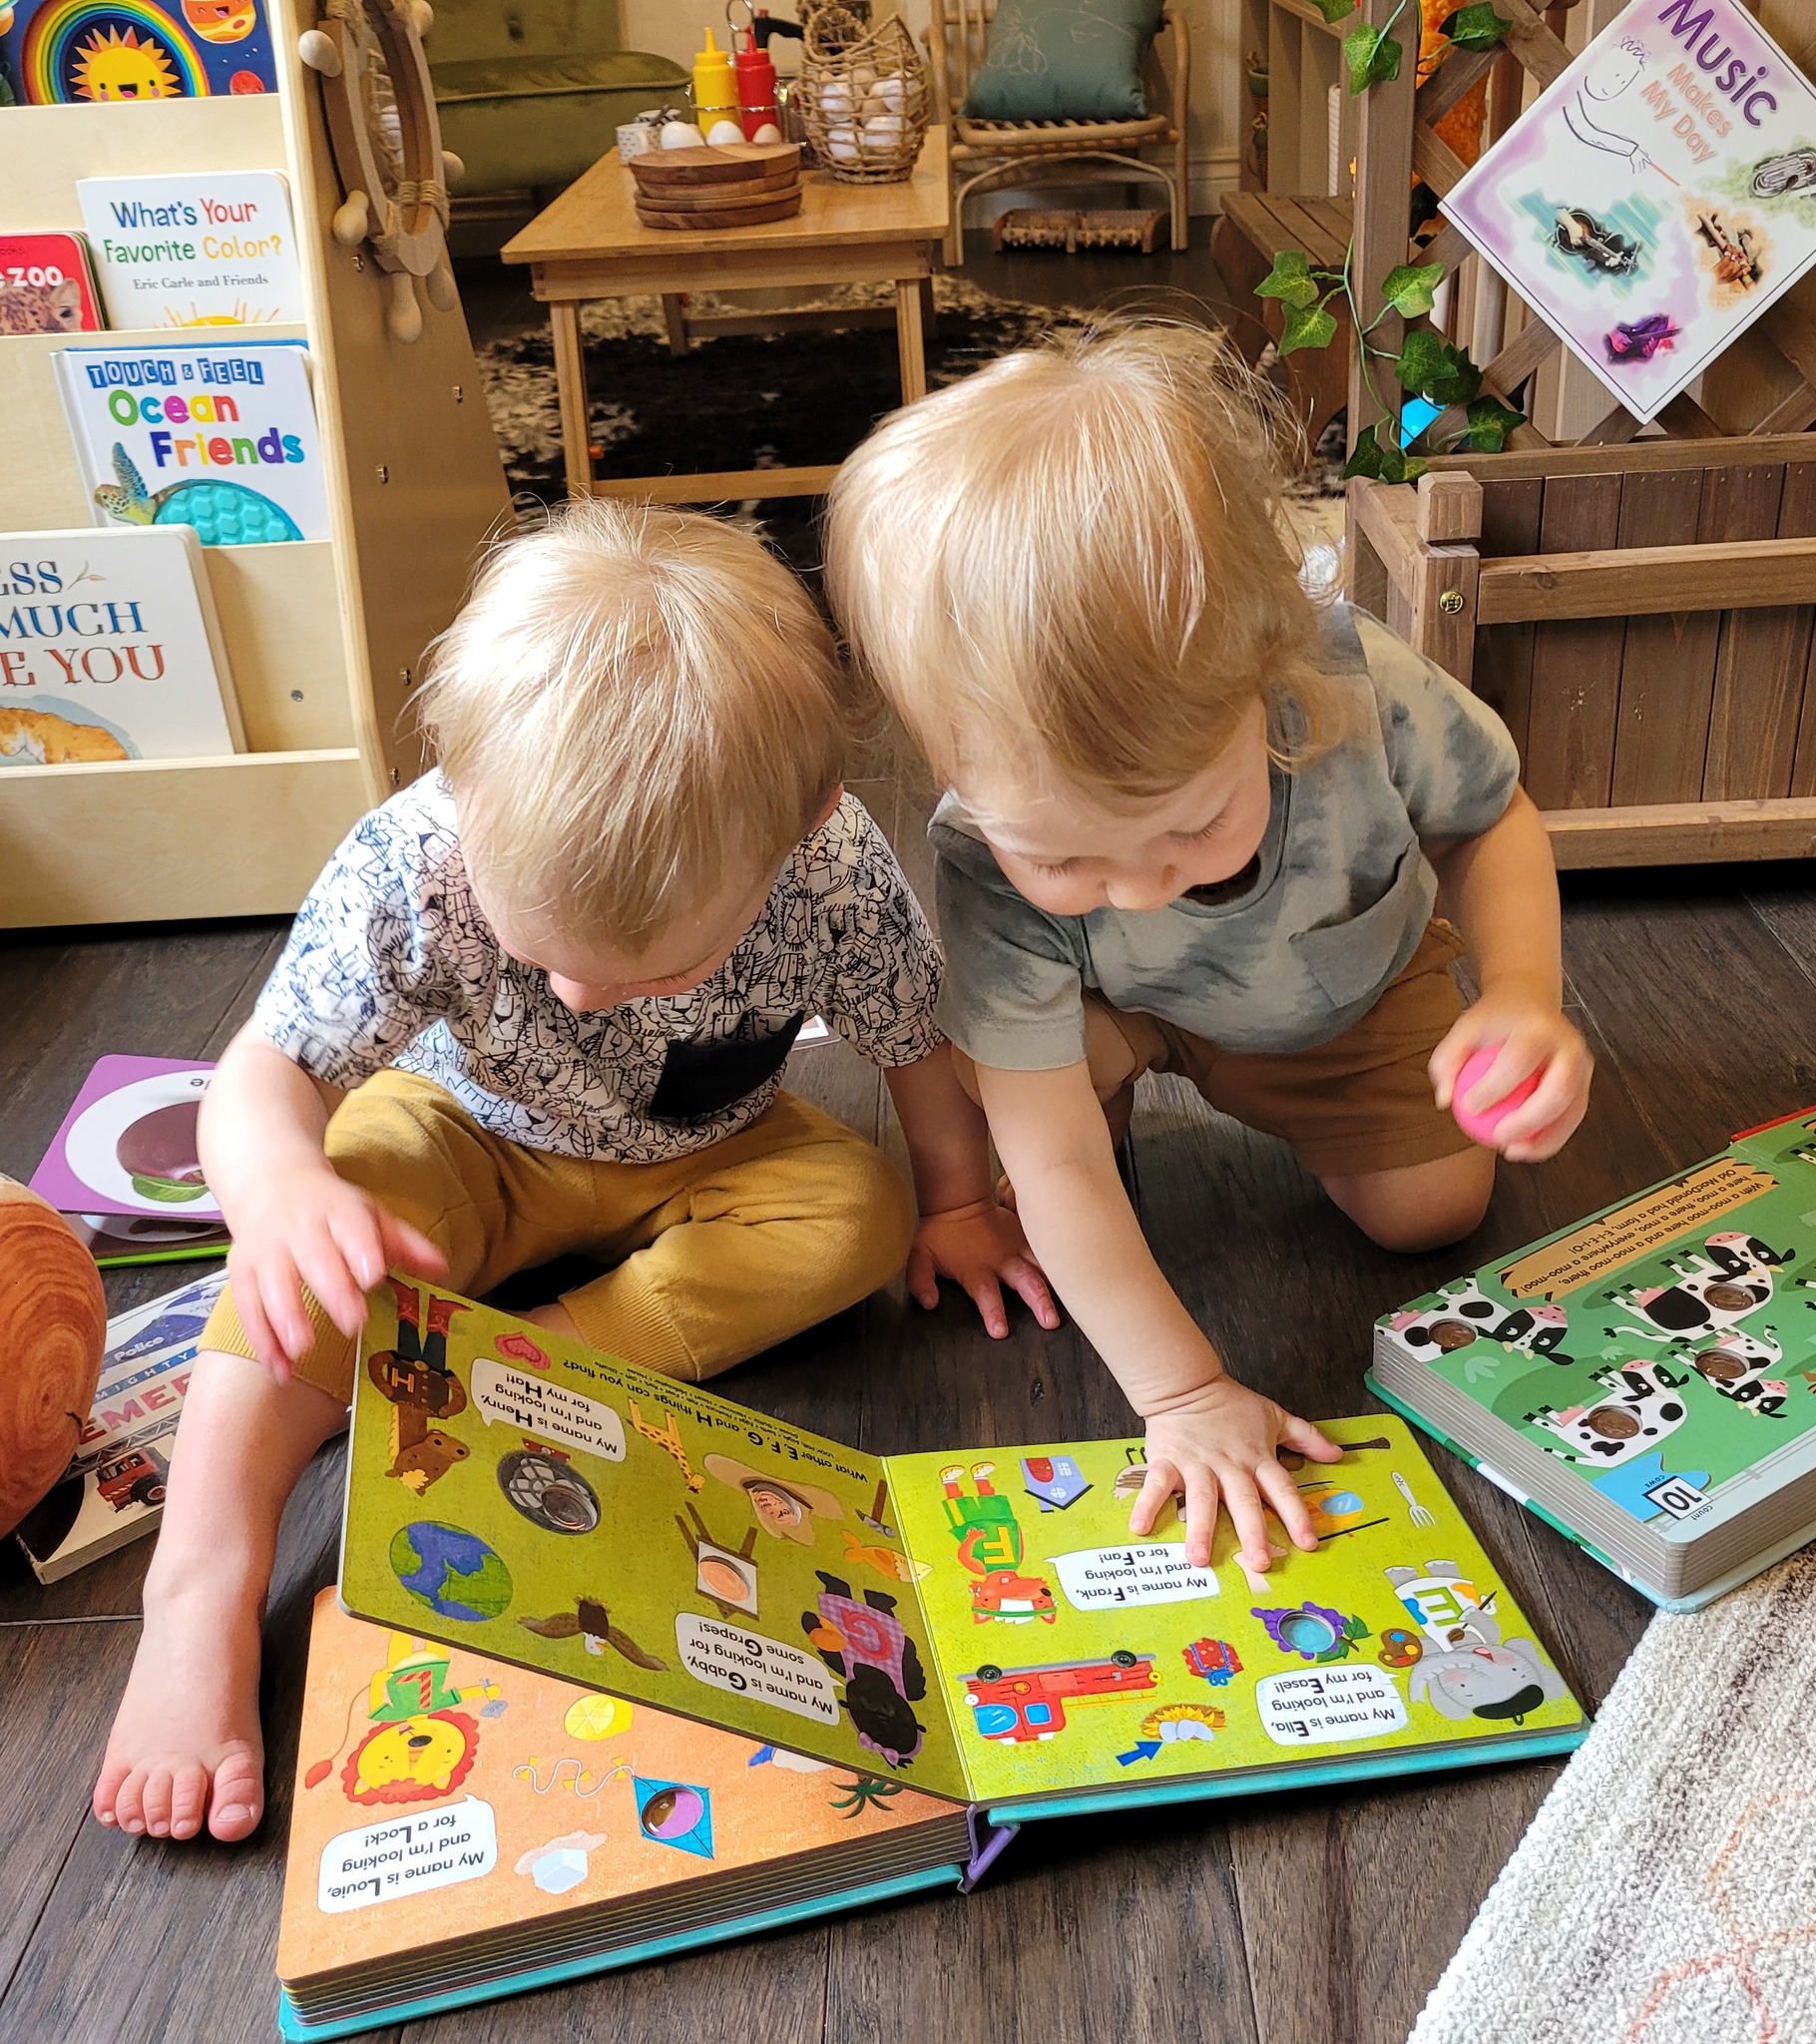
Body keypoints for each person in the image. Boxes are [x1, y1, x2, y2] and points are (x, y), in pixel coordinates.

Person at [96, 501, 1051, 1844]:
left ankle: (531, 1362)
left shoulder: (835, 870)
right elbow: (264, 1077)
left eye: (651, 968)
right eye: (538, 945)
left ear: (797, 833)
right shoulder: (415, 861)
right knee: (309, 1252)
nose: (582, 993)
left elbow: (912, 1053)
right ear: (463, 788)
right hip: (463, 1135)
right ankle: (197, 1589)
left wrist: (957, 1204)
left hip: (719, 1154)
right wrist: (279, 1195)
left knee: (858, 1211)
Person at [826, 323, 1592, 1575]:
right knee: (1008, 1077)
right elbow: (1055, 1157)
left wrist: (1518, 995)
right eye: (1063, 857)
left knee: (1430, 1211)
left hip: (1343, 995)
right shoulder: (978, 854)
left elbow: (1491, 819)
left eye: (1188, 825)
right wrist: (1181, 1393)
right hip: (1123, 1019)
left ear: (1266, 670)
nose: (1130, 890)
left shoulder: (1351, 681)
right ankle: (1130, 1068)